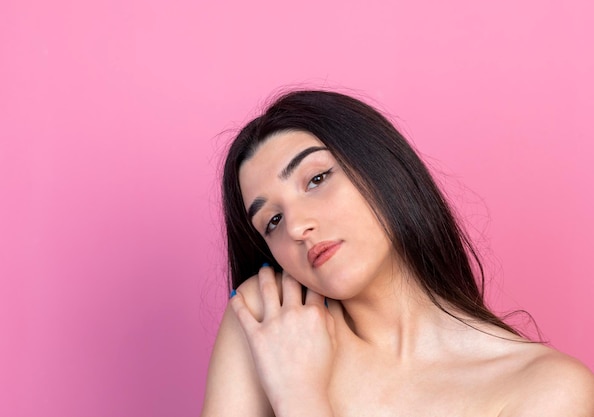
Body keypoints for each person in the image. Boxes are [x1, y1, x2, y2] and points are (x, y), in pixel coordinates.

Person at [201, 90, 594, 416]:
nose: (297, 227)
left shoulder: (550, 390)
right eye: (272, 221)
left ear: (382, 168)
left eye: (317, 179)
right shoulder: (269, 318)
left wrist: (299, 396)